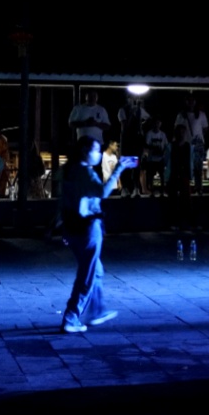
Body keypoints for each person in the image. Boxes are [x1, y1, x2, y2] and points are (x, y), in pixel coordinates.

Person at [57, 135, 138, 333]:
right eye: (96, 150)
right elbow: (102, 192)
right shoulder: (85, 172)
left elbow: (63, 201)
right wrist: (119, 168)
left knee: (96, 270)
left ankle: (98, 310)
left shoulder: (68, 170)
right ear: (85, 151)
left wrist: (55, 224)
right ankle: (72, 316)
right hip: (87, 228)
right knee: (88, 274)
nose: (99, 153)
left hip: (71, 227)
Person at [117, 95, 151, 198]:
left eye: (134, 98)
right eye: (131, 98)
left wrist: (141, 123)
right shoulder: (122, 110)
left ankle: (136, 188)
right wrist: (132, 114)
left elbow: (148, 118)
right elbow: (125, 126)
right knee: (126, 164)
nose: (133, 100)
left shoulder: (139, 109)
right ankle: (125, 188)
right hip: (127, 139)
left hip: (137, 139)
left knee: (136, 165)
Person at [174, 95, 208, 193]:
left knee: (198, 167)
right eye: (189, 101)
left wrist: (198, 138)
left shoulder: (201, 114)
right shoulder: (181, 115)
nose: (191, 103)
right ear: (186, 102)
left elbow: (205, 128)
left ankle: (198, 187)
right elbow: (177, 128)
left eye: (192, 101)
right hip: (185, 144)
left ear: (195, 102)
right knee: (185, 166)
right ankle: (185, 187)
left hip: (198, 144)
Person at [166, 124, 193, 230]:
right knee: (173, 200)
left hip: (184, 174)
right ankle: (173, 222)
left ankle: (186, 222)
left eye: (183, 132)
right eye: (180, 132)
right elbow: (167, 161)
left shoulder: (188, 146)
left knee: (185, 199)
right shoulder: (171, 146)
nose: (181, 134)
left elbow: (190, 161)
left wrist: (190, 175)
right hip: (174, 173)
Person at [144, 118, 168, 197]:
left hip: (160, 158)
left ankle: (162, 191)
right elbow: (147, 145)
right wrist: (154, 149)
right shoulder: (149, 134)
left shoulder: (163, 134)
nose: (157, 125)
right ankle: (152, 191)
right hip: (151, 158)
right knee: (151, 175)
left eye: (158, 123)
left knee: (162, 175)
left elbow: (166, 145)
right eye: (155, 123)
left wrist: (163, 152)